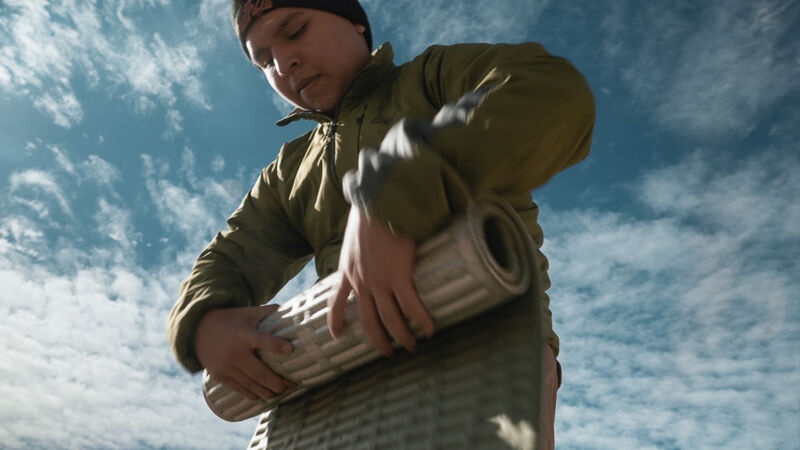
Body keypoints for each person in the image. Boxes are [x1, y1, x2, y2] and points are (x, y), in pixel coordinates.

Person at [167, 0, 595, 447]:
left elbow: (551, 91)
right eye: (264, 60)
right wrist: (203, 319)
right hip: (349, 371)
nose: (283, 63)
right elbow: (232, 252)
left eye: (294, 31)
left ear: (356, 25)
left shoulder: (428, 79)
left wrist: (393, 199)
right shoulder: (288, 172)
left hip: (488, 347)